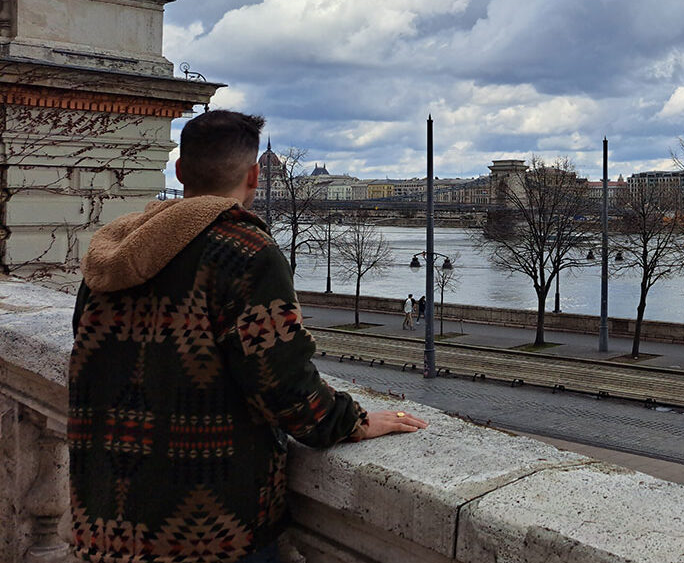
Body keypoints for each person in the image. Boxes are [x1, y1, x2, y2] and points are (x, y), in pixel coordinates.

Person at [69, 110, 428, 563]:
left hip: (106, 513)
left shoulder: (114, 252)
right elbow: (281, 382)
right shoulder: (245, 251)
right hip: (208, 525)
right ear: (256, 175)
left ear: (179, 171)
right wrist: (351, 421)